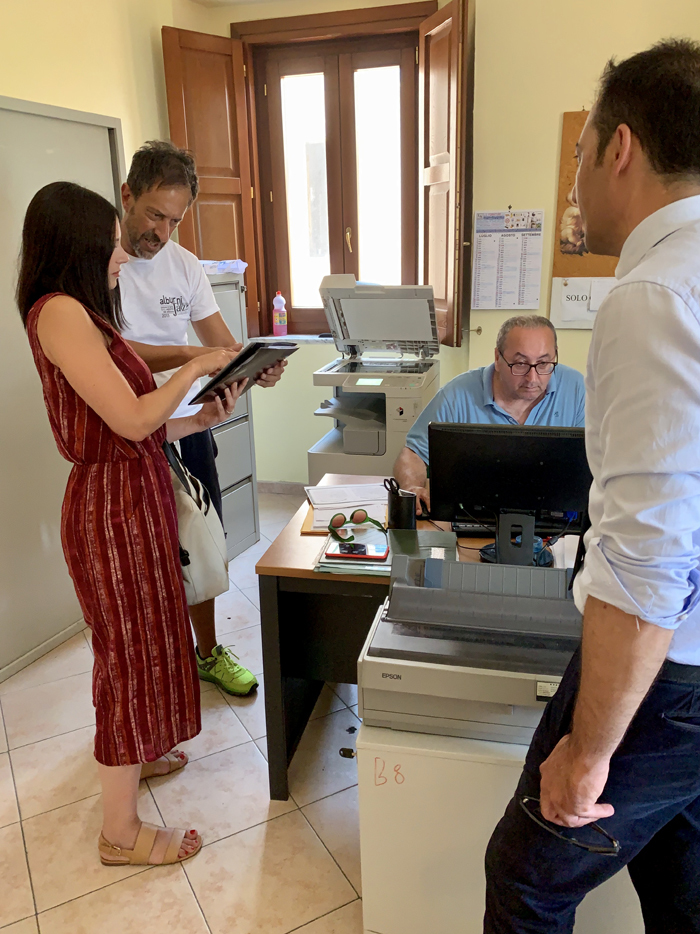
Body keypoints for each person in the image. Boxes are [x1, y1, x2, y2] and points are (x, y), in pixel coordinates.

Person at [484, 39, 700, 933]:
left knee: (528, 875)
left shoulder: (654, 294)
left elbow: (649, 557)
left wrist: (589, 750)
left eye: (577, 157)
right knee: (684, 872)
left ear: (619, 149)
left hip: (673, 674)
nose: (573, 182)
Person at [18, 180, 245, 865]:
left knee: (146, 644)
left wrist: (197, 419)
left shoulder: (85, 313)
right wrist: (195, 366)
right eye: (110, 245)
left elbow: (136, 430)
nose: (121, 257)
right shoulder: (58, 311)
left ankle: (136, 754)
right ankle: (119, 833)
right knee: (124, 657)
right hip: (110, 513)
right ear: (76, 247)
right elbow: (129, 418)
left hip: (134, 495)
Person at [118, 141, 286, 697]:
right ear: (127, 196)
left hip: (187, 426)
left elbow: (221, 344)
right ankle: (156, 663)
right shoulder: (101, 265)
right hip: (132, 428)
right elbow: (114, 353)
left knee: (204, 537)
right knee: (146, 553)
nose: (162, 232)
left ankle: (207, 651)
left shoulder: (184, 265)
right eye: (153, 215)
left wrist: (252, 366)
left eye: (175, 219)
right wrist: (192, 358)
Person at [393, 315, 585, 514]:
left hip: (556, 523)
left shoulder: (577, 389)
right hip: (474, 519)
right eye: (520, 364)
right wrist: (412, 487)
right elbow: (412, 454)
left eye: (544, 364)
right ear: (497, 358)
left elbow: (596, 459)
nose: (532, 378)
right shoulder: (457, 394)